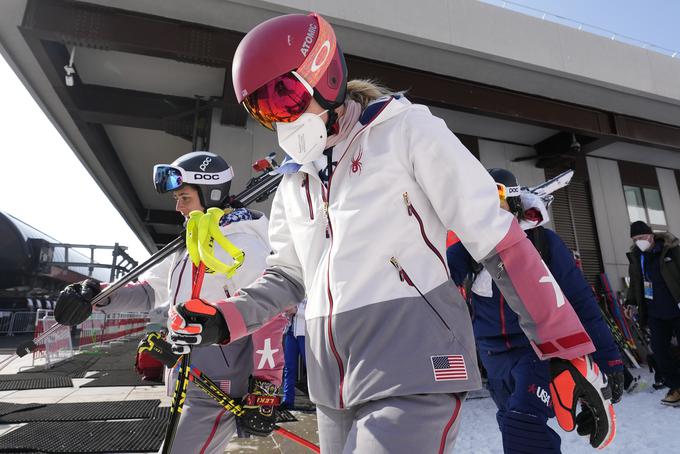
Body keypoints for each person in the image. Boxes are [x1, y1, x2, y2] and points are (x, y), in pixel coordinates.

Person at [167, 13, 615, 453]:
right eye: (264, 109)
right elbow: (287, 276)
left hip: (415, 365)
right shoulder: (294, 182)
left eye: (285, 97)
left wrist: (564, 350)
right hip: (333, 386)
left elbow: (497, 239)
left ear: (323, 75)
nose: (281, 119)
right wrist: (225, 318)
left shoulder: (406, 131)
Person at [54, 151, 288, 453]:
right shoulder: (191, 243)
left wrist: (266, 388)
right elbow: (151, 291)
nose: (177, 207)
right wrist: (96, 298)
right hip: (192, 376)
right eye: (176, 198)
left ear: (211, 192)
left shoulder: (242, 242)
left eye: (185, 198)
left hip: (221, 381)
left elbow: (270, 314)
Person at [447, 168, 623, 453]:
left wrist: (609, 358)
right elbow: (436, 283)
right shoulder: (469, 248)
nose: (490, 207)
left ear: (514, 200)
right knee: (509, 423)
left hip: (537, 351)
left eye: (498, 197)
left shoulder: (543, 244)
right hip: (493, 357)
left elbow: (581, 302)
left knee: (523, 424)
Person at [625, 220, 680, 406]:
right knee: (660, 352)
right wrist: (630, 302)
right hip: (655, 313)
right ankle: (676, 387)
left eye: (641, 237)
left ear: (651, 235)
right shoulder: (637, 257)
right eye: (635, 239)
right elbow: (635, 283)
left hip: (676, 308)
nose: (639, 242)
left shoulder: (671, 250)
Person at [281, 300, 307, 410]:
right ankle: (287, 400)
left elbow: (316, 311)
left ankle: (320, 400)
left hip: (306, 333)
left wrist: (297, 310)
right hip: (290, 332)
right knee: (289, 367)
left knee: (311, 368)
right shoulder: (293, 288)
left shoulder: (312, 287)